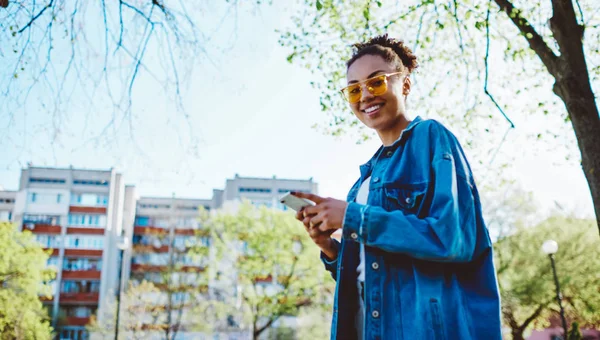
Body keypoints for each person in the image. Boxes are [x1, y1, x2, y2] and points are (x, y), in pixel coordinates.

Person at [293, 34, 502, 340]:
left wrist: (354, 217)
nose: (364, 95)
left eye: (376, 82)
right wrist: (329, 247)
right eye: (353, 90)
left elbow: (452, 238)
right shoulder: (363, 181)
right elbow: (369, 277)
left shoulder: (432, 138)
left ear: (404, 84)